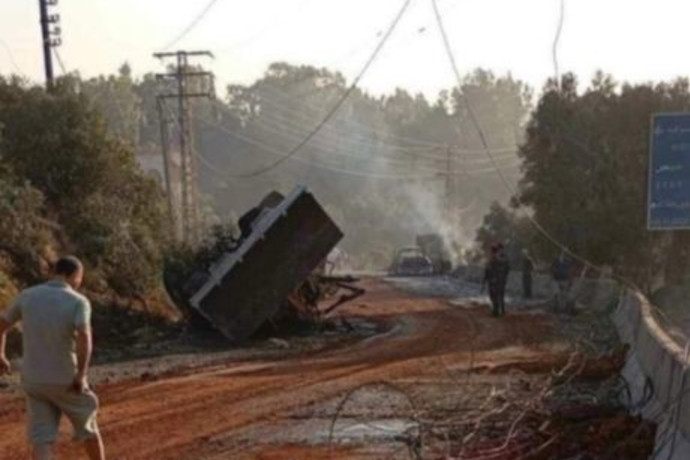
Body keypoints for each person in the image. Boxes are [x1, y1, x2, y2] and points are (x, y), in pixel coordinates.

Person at [0, 256, 105, 460]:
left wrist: (1, 355)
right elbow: (84, 336)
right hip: (65, 379)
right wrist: (81, 375)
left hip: (34, 380)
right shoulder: (78, 301)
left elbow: (1, 325)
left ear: (54, 272)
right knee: (89, 429)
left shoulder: (27, 296)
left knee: (42, 439)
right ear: (75, 276)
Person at [482, 243, 511, 317]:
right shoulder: (497, 258)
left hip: (497, 280)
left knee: (497, 296)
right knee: (497, 296)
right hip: (497, 280)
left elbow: (506, 268)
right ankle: (498, 311)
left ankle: (497, 311)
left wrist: (501, 276)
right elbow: (488, 270)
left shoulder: (498, 258)